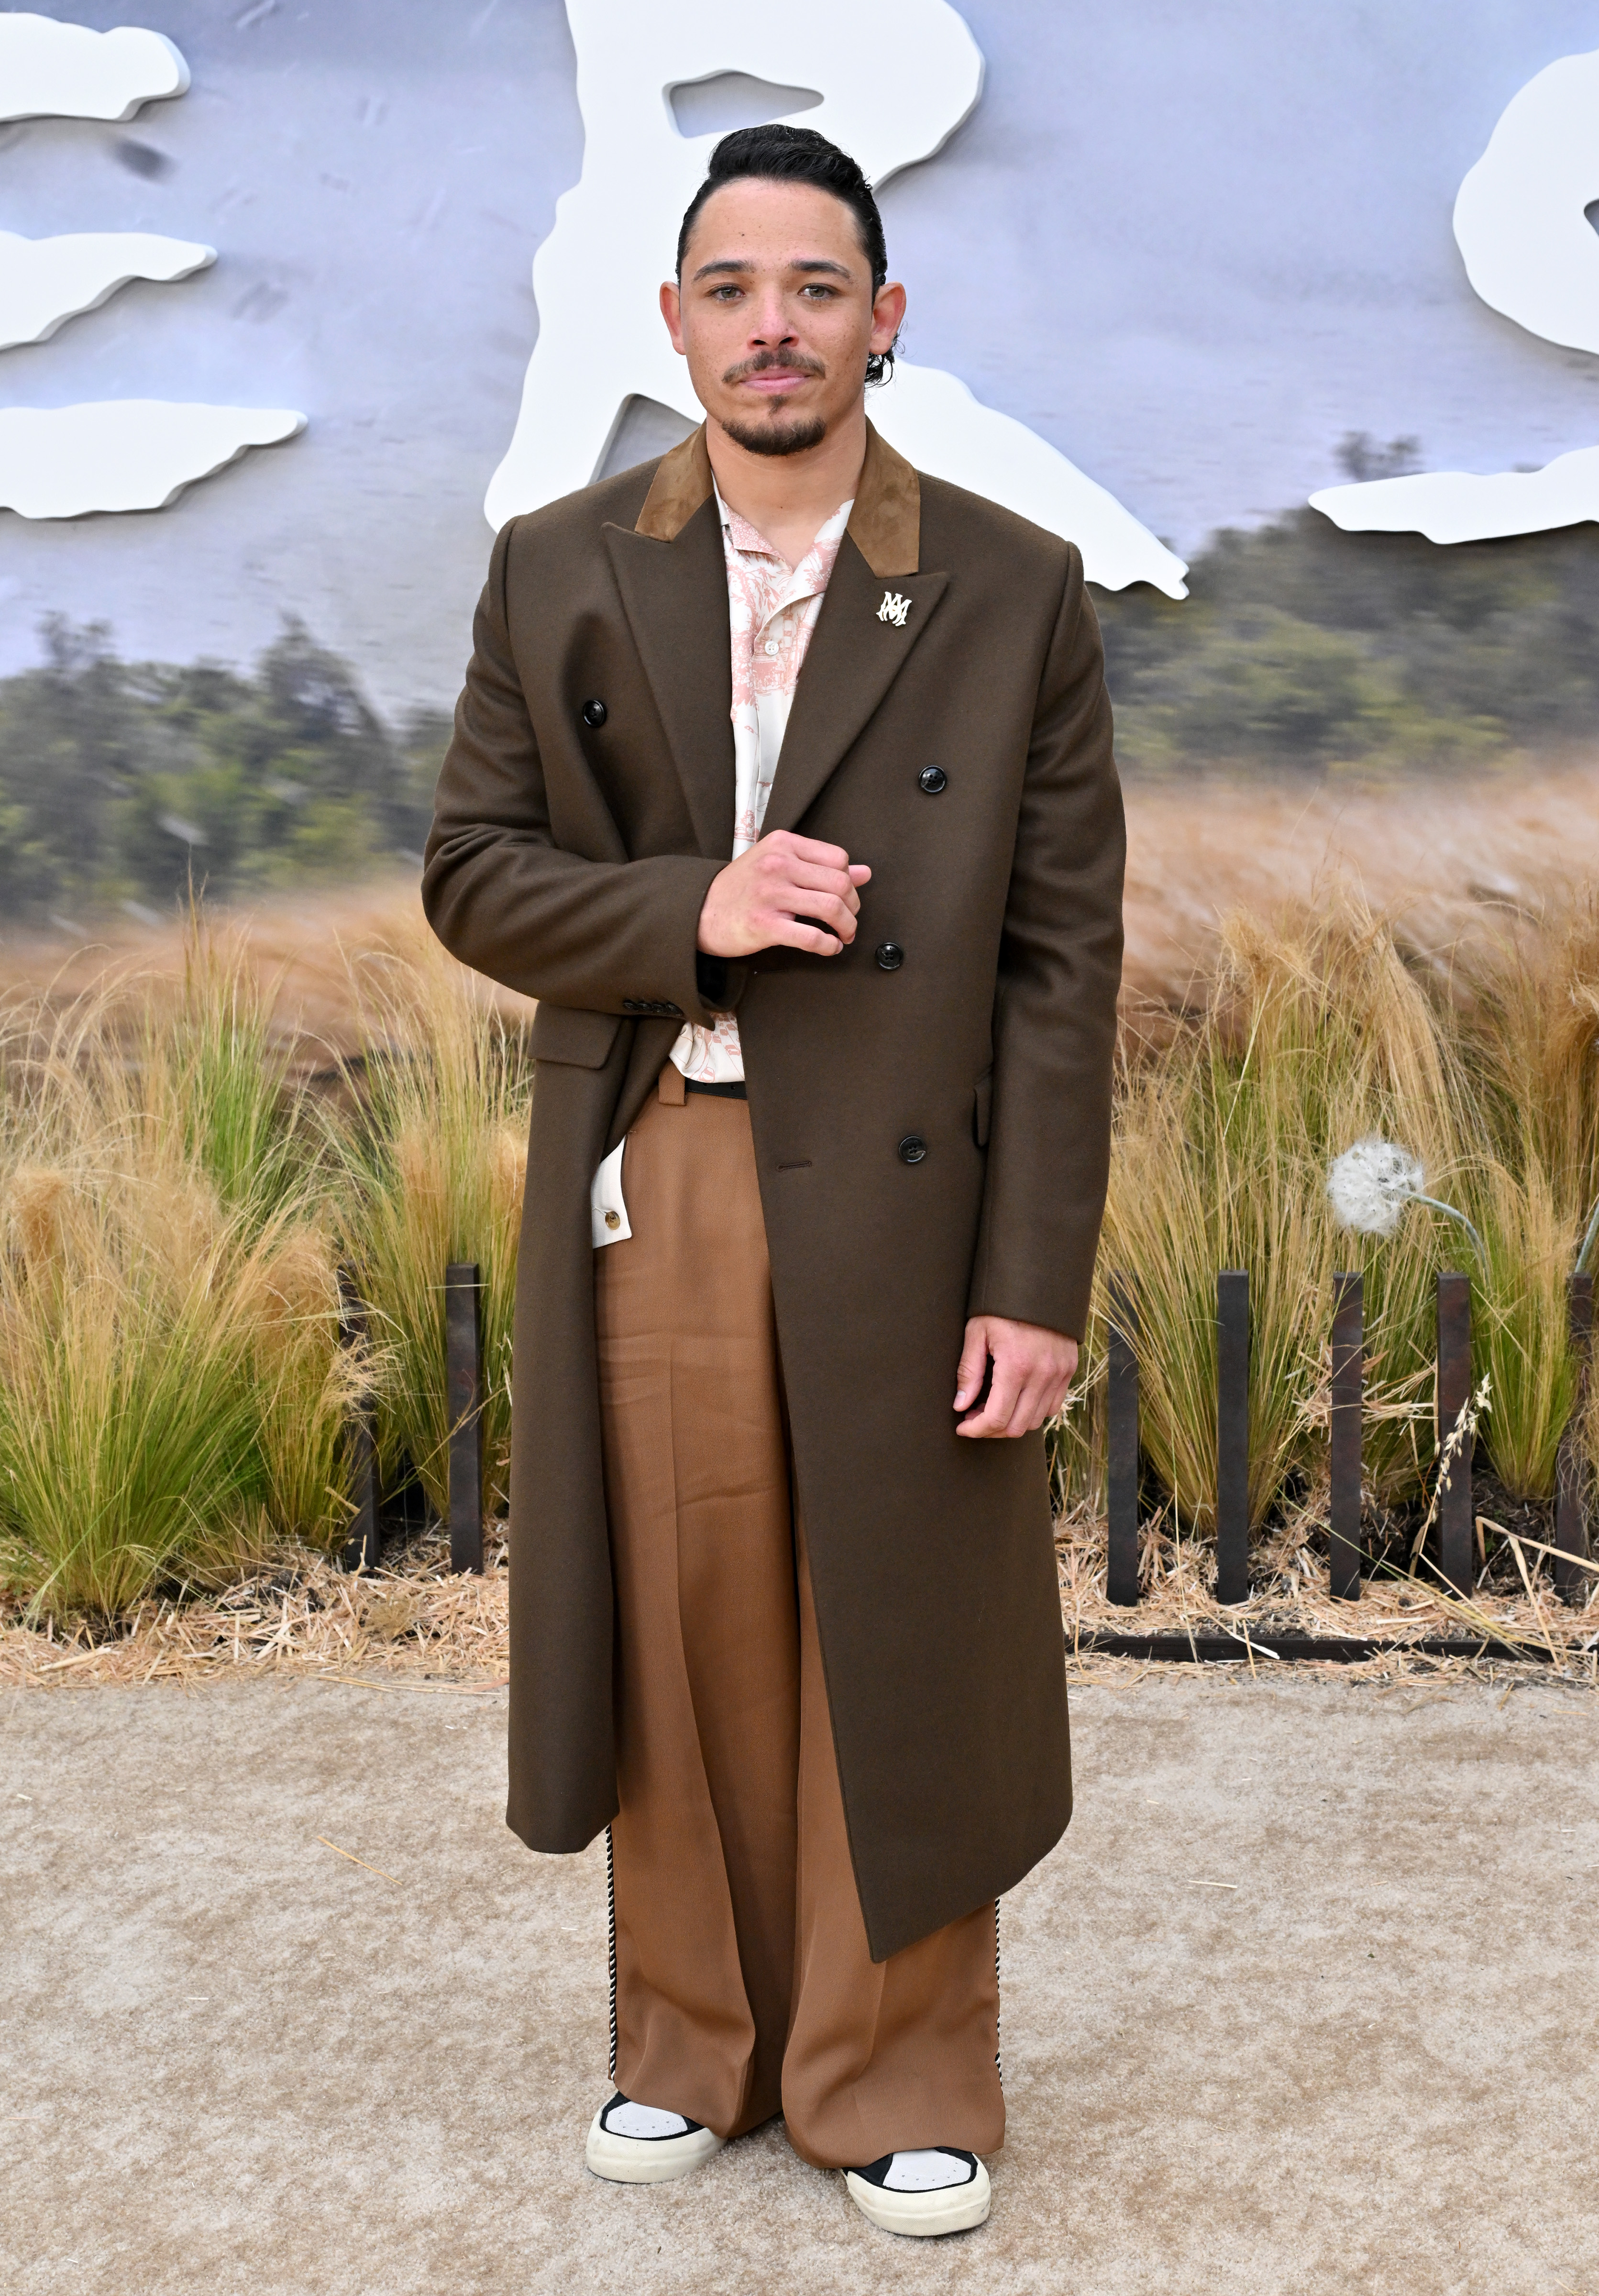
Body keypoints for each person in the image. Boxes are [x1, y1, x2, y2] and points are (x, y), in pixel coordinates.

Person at [423, 122, 1124, 2240]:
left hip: (915, 1200)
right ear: (674, 324)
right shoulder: (561, 562)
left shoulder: (1011, 584)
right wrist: (691, 909)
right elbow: (471, 872)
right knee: (683, 1618)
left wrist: (1034, 1280)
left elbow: (1056, 965)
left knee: (884, 1627)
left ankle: (898, 2073)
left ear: (881, 320)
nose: (772, 325)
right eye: (730, 288)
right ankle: (686, 2046)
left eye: (815, 287)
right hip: (669, 1171)